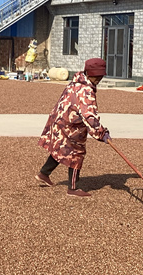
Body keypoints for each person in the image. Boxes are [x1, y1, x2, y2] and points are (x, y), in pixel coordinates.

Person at [35, 58, 111, 198]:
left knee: (61, 147)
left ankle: (44, 174)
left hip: (59, 119)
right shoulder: (86, 90)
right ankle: (73, 188)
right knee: (77, 153)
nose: (99, 79)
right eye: (98, 76)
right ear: (92, 75)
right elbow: (90, 116)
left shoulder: (76, 82)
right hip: (71, 124)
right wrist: (101, 133)